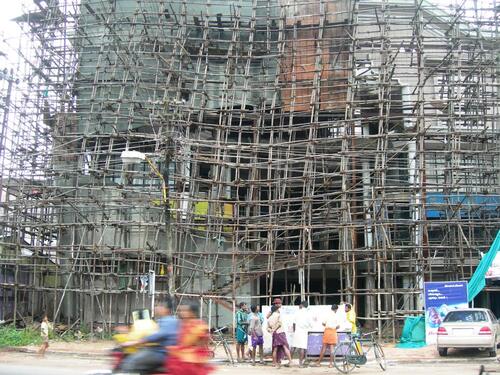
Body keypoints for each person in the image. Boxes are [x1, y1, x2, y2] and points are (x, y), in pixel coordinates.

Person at [121, 298, 178, 373]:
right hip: (157, 350)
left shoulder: (169, 321)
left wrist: (135, 342)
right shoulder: (160, 321)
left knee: (130, 362)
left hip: (162, 353)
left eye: (159, 306)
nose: (156, 308)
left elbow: (158, 335)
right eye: (156, 305)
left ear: (166, 309)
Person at [167, 302, 214, 375]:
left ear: (192, 312)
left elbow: (203, 346)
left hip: (193, 359)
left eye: (185, 310)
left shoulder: (199, 326)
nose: (181, 312)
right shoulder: (182, 324)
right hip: (182, 356)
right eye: (181, 310)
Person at [293, 301, 311, 367]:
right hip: (303, 332)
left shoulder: (298, 312)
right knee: (302, 348)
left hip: (297, 331)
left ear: (302, 305)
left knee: (294, 346)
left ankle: (290, 361)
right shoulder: (308, 313)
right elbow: (311, 324)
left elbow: (294, 323)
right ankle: (300, 364)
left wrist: (295, 331)